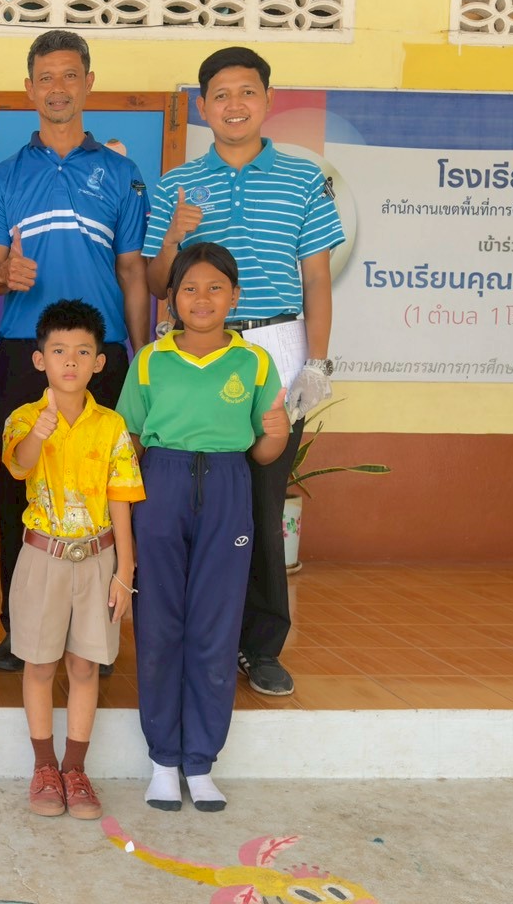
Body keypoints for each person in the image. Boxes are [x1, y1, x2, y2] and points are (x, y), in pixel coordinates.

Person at [143, 46, 345, 697]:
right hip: (197, 350)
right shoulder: (175, 184)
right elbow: (156, 279)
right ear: (203, 106)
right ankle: (197, 637)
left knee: (260, 499)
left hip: (276, 345)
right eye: (221, 94)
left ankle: (260, 647)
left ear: (267, 100)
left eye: (247, 91)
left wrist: (316, 361)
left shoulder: (303, 179)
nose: (234, 104)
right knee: (195, 498)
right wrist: (173, 235)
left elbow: (317, 279)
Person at [0, 29, 151, 673]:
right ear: (29, 88)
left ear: (88, 84)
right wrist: (4, 275)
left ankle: (95, 633)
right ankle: (18, 628)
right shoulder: (4, 177)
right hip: (26, 352)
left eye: (70, 75)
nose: (58, 88)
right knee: (17, 491)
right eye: (46, 77)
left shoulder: (122, 175)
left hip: (102, 354)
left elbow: (132, 272)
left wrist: (141, 357)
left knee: (104, 489)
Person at [119, 242, 287, 813]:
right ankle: (164, 761)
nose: (202, 298)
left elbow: (263, 452)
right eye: (189, 288)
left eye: (215, 287)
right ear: (170, 300)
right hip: (160, 487)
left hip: (228, 486)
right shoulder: (149, 361)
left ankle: (201, 762)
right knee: (159, 623)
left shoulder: (254, 362)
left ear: (234, 297)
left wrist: (277, 434)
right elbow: (131, 439)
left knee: (216, 625)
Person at [0, 299, 143, 822]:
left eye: (83, 352)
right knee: (39, 664)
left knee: (85, 665)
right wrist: (37, 437)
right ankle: (44, 767)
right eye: (59, 350)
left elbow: (121, 498)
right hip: (43, 556)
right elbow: (18, 468)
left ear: (99, 362)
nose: (70, 361)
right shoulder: (23, 418)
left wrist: (125, 571)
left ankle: (75, 768)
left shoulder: (112, 426)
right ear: (40, 359)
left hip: (98, 558)